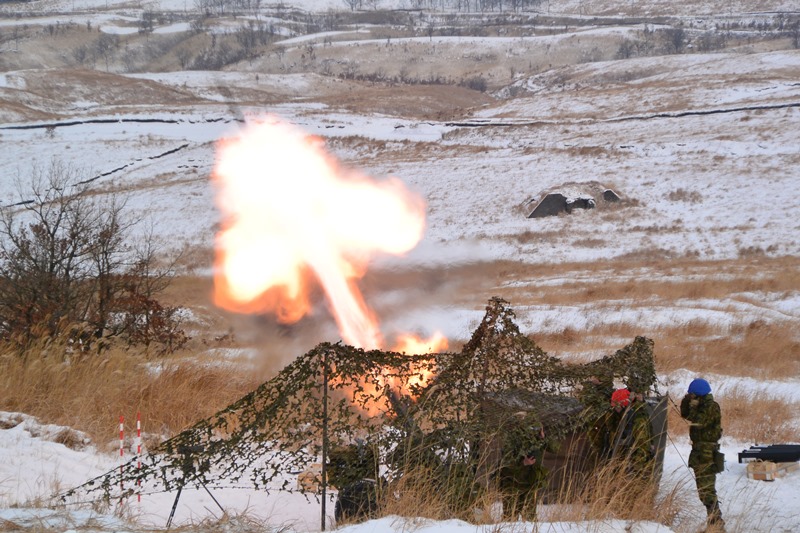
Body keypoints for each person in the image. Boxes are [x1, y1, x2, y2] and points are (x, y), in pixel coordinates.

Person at [680, 378, 725, 530]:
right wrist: (686, 402)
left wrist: (694, 406)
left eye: (692, 395)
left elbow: (698, 422)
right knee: (703, 490)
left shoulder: (711, 407)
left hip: (707, 452)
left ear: (698, 394)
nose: (691, 397)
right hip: (699, 451)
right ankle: (714, 521)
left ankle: (716, 523)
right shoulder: (701, 405)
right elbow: (685, 414)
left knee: (707, 490)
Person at [609, 388, 655, 479]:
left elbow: (643, 447)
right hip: (626, 462)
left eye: (617, 407)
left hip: (639, 467)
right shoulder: (622, 416)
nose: (616, 409)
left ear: (624, 405)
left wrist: (635, 469)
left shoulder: (638, 418)